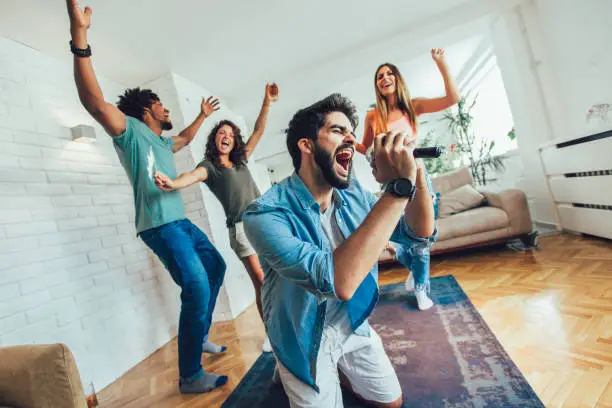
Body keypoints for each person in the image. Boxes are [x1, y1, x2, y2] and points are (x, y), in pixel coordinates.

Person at [65, 0, 228, 394]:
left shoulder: (159, 139)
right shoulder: (131, 132)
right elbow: (94, 103)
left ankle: (199, 335)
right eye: (162, 103)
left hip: (181, 223)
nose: (166, 107)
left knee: (215, 269)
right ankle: (190, 374)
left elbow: (185, 138)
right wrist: (80, 36)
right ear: (147, 108)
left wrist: (203, 116)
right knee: (197, 287)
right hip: (160, 226)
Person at [242, 94, 435, 408]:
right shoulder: (263, 215)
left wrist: (416, 176)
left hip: (350, 323)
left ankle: (341, 371)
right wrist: (397, 188)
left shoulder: (355, 194)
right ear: (306, 145)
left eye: (351, 132)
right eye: (337, 131)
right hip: (302, 336)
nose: (351, 139)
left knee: (392, 403)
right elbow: (337, 281)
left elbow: (417, 234)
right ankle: (288, 365)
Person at [154, 83, 279, 351]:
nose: (226, 136)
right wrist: (173, 184)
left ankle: (290, 323)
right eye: (221, 133)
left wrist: (266, 101)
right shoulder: (208, 167)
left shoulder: (242, 159)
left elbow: (258, 130)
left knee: (279, 273)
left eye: (231, 134)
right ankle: (272, 332)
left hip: (265, 221)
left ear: (235, 141)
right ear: (215, 139)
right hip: (241, 229)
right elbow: (191, 176)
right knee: (261, 280)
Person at [356, 49, 459, 310]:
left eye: (389, 73)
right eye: (380, 76)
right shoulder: (372, 116)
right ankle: (411, 265)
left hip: (419, 179)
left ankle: (421, 288)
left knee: (423, 239)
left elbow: (452, 98)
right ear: (377, 86)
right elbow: (364, 147)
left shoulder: (413, 106)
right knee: (398, 238)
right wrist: (348, 140)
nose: (385, 78)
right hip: (391, 184)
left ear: (397, 79)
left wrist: (442, 63)